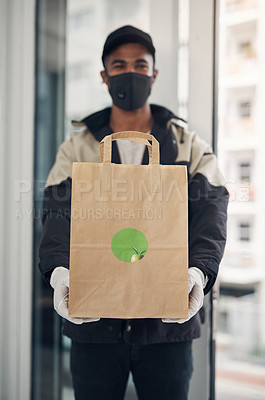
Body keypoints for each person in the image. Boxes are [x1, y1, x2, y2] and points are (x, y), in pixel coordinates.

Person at [39, 25, 228, 400]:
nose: (130, 73)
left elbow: (211, 211)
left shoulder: (186, 144)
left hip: (166, 326)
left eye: (140, 65)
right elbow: (58, 215)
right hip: (94, 323)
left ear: (154, 74)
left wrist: (198, 272)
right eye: (119, 64)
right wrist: (60, 272)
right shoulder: (76, 147)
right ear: (104, 75)